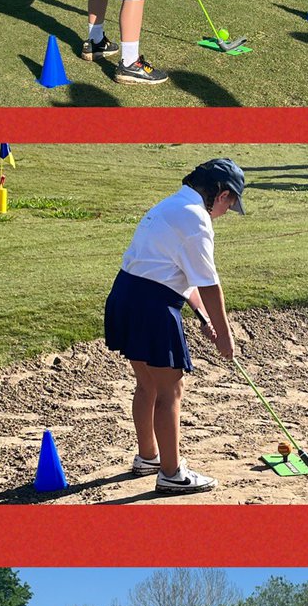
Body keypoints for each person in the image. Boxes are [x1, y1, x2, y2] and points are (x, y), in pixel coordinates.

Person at [103, 158, 243, 495]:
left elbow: (180, 274)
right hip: (151, 307)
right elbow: (210, 284)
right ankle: (171, 473)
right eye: (231, 203)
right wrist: (225, 336)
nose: (227, 212)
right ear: (222, 194)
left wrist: (205, 318)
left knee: (148, 385)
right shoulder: (196, 220)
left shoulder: (172, 204)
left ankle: (148, 457)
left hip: (126, 295)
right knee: (171, 391)